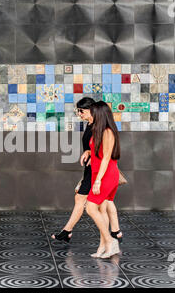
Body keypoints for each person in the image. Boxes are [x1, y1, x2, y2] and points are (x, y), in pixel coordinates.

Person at [51, 98, 123, 248]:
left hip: (98, 170)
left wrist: (97, 175)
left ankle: (70, 232)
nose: (79, 114)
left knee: (87, 201)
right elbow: (95, 146)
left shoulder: (102, 127)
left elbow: (105, 153)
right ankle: (115, 233)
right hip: (92, 168)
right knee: (103, 202)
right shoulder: (92, 125)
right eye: (78, 111)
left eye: (81, 111)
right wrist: (89, 152)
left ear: (92, 110)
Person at [85, 101, 121, 258]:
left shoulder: (108, 132)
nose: (90, 115)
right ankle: (102, 247)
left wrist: (98, 180)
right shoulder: (97, 130)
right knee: (101, 209)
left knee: (90, 208)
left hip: (106, 175)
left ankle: (110, 242)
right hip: (96, 173)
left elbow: (106, 158)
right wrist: (87, 152)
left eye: (92, 112)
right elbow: (96, 154)